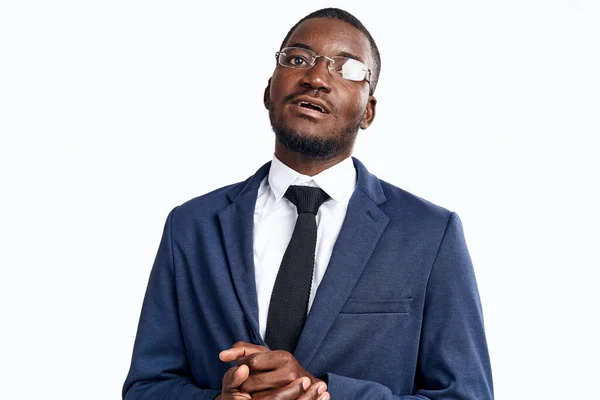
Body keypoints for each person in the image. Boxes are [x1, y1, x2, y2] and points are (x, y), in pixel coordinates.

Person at [122, 7, 494, 400]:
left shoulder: (429, 234)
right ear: (269, 90)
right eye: (297, 59)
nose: (316, 78)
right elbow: (147, 386)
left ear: (368, 110)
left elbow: (466, 394)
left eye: (347, 69)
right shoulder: (191, 226)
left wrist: (321, 393)